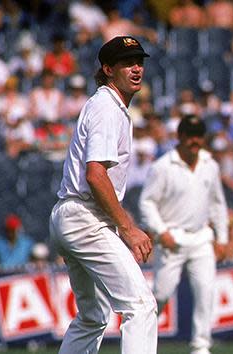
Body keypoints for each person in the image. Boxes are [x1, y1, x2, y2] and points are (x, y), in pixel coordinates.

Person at [48, 36, 157, 354]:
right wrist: (127, 228)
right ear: (108, 69)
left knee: (93, 317)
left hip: (69, 215)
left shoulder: (110, 107)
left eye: (139, 61)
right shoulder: (107, 107)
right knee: (141, 306)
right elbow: (95, 175)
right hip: (84, 216)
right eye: (126, 63)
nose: (136, 68)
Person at [139, 116, 229, 354]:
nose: (194, 140)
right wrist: (161, 231)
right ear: (180, 136)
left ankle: (201, 346)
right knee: (161, 293)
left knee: (206, 291)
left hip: (201, 238)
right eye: (189, 135)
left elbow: (217, 204)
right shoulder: (163, 166)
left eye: (198, 135)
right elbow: (147, 203)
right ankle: (141, 339)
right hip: (172, 240)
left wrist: (222, 239)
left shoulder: (210, 164)